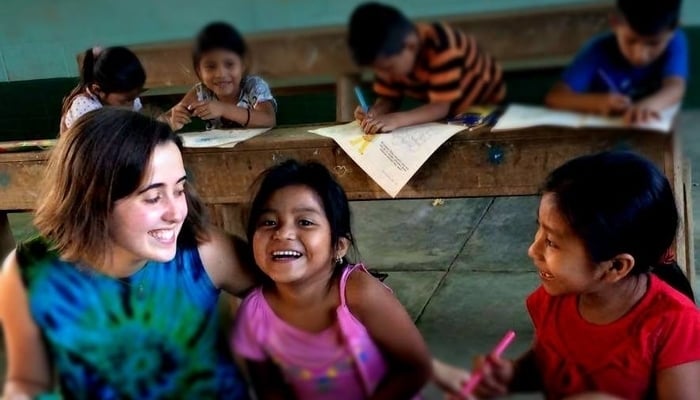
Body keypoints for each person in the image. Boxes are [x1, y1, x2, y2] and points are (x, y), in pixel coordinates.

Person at [0, 108, 255, 399]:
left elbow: (298, 301)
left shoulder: (205, 254)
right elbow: (26, 382)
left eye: (180, 189)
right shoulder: (28, 272)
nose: (176, 213)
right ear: (95, 199)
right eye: (153, 197)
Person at [464, 151, 700, 399]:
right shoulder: (554, 299)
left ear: (616, 267)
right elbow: (550, 362)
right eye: (539, 229)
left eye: (552, 242)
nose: (533, 250)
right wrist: (511, 374)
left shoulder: (676, 327)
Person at [232, 159, 432, 399]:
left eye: (305, 222)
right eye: (269, 222)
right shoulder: (254, 313)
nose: (282, 233)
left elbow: (415, 369)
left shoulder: (360, 293)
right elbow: (269, 390)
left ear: (338, 246)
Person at [347, 2, 505, 134]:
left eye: (387, 68)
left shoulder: (442, 46)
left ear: (410, 46)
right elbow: (389, 98)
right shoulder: (391, 55)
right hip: (448, 118)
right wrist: (376, 112)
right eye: (377, 69)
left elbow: (440, 106)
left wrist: (396, 119)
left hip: (486, 109)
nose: (384, 76)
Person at [545, 0, 687, 125]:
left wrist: (647, 106)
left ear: (673, 30)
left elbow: (675, 87)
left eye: (654, 43)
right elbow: (555, 97)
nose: (640, 55)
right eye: (630, 41)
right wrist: (598, 102)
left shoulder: (675, 42)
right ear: (614, 23)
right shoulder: (597, 50)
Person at [165, 22, 277, 132]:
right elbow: (161, 122)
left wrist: (223, 109)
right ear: (199, 71)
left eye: (229, 64)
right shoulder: (201, 92)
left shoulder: (254, 86)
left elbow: (269, 120)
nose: (220, 74)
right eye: (211, 66)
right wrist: (172, 122)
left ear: (242, 66)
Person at [60, 46, 146, 134]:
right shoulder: (85, 109)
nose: (131, 106)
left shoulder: (128, 98)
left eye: (134, 98)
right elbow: (96, 144)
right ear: (97, 90)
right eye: (124, 101)